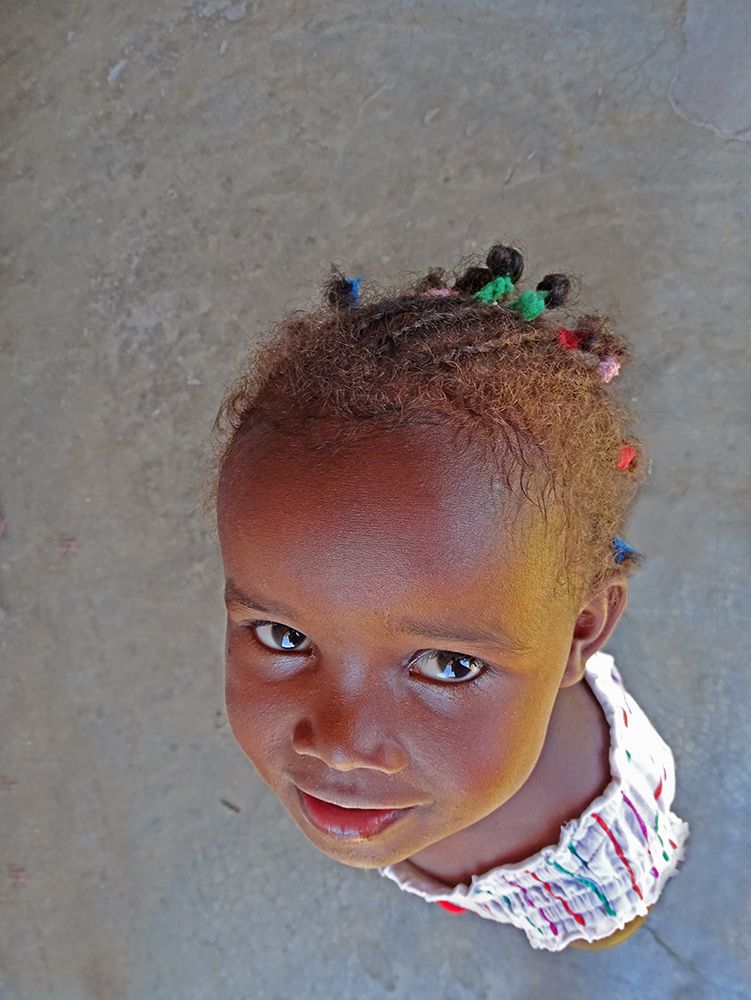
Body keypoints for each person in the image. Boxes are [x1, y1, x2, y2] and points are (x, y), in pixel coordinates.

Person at [204, 242, 690, 952]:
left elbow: (610, 923)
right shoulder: (418, 779)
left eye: (448, 664)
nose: (342, 747)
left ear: (581, 630)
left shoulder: (590, 855)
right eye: (284, 636)